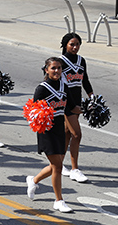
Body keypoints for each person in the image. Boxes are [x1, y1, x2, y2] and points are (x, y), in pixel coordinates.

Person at [25, 57, 81, 213]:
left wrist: (87, 109)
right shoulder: (42, 89)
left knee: (55, 165)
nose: (57, 71)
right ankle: (59, 200)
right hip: (46, 131)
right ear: (46, 70)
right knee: (57, 166)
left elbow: (71, 107)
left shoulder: (64, 86)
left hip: (59, 131)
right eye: (53, 68)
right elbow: (33, 113)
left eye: (59, 68)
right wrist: (41, 119)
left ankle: (33, 180)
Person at [60, 32, 93, 183]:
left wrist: (92, 97)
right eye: (71, 44)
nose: (75, 47)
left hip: (77, 100)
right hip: (66, 102)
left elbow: (84, 79)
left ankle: (59, 164)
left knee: (67, 133)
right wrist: (70, 104)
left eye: (77, 44)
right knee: (77, 135)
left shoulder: (81, 60)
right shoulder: (60, 62)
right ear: (65, 45)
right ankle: (74, 169)